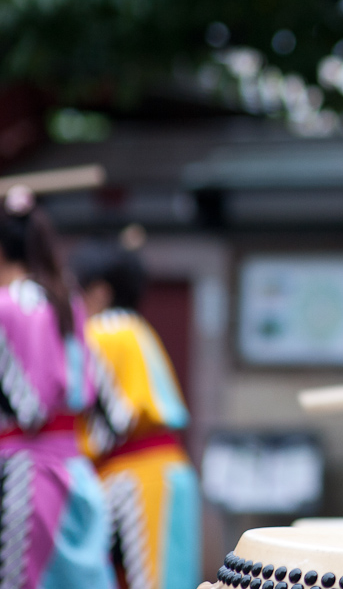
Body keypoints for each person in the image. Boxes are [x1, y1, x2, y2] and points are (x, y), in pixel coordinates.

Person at [0, 185, 115, 589]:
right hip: (77, 472)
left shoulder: (5, 305)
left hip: (23, 476)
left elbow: (26, 408)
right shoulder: (68, 302)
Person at [72, 236, 201, 589]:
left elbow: (96, 423)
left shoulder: (103, 331)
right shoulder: (134, 327)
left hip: (134, 478)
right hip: (163, 471)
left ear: (99, 292)